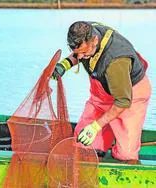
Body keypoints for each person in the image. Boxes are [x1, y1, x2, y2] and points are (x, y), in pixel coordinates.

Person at [52, 21, 151, 162]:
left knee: (126, 155)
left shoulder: (116, 61)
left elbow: (123, 102)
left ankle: (117, 144)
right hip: (102, 95)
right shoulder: (87, 32)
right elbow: (79, 52)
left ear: (95, 40)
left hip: (130, 96)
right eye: (77, 53)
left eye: (84, 53)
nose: (80, 58)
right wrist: (65, 65)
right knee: (82, 143)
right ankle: (102, 142)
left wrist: (95, 127)